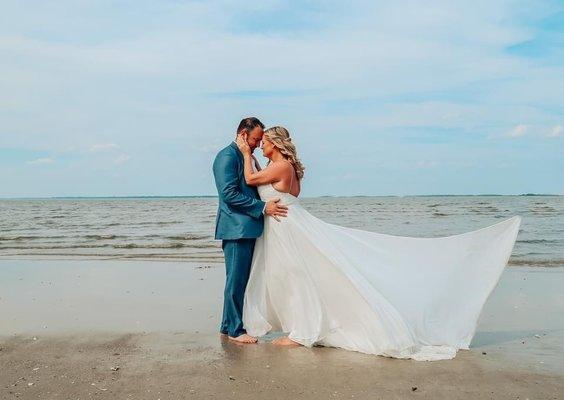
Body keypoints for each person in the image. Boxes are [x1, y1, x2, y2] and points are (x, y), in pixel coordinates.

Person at [236, 126, 521, 361]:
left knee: (298, 278)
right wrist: (255, 158)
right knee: (302, 276)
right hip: (286, 223)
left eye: (264, 142)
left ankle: (301, 332)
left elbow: (250, 178)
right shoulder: (281, 165)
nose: (260, 146)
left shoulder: (281, 166)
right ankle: (302, 325)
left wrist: (246, 152)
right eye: (257, 144)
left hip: (286, 226)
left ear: (275, 143)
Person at [212, 117, 288, 344]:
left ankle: (227, 325)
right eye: (255, 139)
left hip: (246, 227)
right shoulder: (227, 157)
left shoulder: (246, 156)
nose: (257, 144)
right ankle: (235, 330)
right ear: (243, 134)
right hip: (236, 228)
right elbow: (229, 195)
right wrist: (263, 207)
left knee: (240, 279)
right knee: (236, 280)